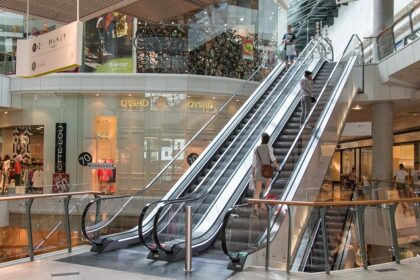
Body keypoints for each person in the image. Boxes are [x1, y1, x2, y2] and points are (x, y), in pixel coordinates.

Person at [252, 133, 279, 208]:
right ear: (268, 140)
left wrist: (253, 172)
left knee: (257, 191)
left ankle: (255, 208)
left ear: (262, 139)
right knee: (267, 189)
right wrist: (278, 167)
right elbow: (273, 158)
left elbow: (254, 162)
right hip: (267, 170)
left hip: (258, 171)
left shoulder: (256, 148)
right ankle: (263, 205)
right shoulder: (269, 148)